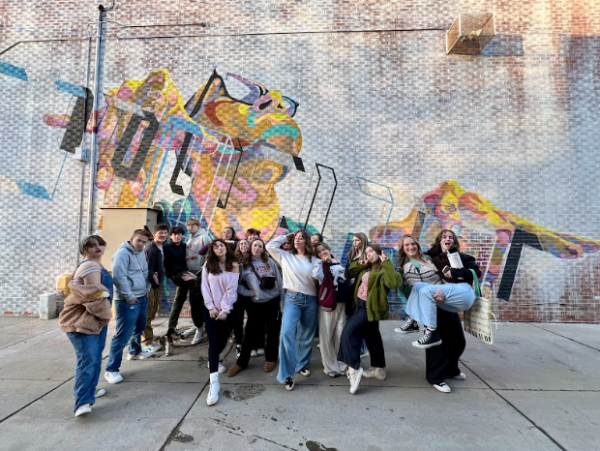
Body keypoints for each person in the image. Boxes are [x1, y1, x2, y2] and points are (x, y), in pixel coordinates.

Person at [59, 235, 113, 417]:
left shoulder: (96, 265)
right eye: (91, 245)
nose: (97, 247)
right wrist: (105, 296)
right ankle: (82, 402)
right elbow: (94, 295)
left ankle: (88, 391)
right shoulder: (90, 266)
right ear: (84, 249)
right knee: (88, 359)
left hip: (94, 321)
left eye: (100, 244)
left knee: (94, 357)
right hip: (83, 321)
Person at [338, 244, 401, 394]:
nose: (368, 255)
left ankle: (354, 369)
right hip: (360, 305)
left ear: (380, 253)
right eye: (366, 253)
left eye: (371, 251)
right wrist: (362, 262)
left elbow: (393, 283)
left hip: (370, 308)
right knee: (372, 336)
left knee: (348, 333)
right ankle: (379, 369)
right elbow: (351, 269)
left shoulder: (386, 269)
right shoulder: (367, 267)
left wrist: (386, 263)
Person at [404, 230, 481, 351]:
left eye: (451, 237)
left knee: (457, 342)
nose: (448, 239)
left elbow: (476, 273)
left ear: (454, 242)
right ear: (440, 241)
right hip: (434, 302)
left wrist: (455, 272)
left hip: (451, 300)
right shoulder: (429, 257)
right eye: (444, 237)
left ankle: (449, 369)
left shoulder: (462, 258)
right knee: (438, 345)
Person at [267, 231, 319, 391]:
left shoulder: (315, 260)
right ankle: (287, 374)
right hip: (292, 299)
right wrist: (286, 236)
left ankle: (302, 364)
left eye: (301, 238)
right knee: (286, 333)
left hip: (311, 299)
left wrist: (321, 274)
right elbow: (269, 246)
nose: (297, 240)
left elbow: (323, 277)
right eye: (295, 238)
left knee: (306, 334)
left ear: (307, 242)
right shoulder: (285, 256)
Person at [227, 238, 283, 376]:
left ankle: (271, 358)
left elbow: (280, 282)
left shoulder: (269, 262)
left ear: (263, 249)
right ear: (251, 247)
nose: (257, 248)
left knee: (272, 331)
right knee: (250, 333)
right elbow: (236, 284)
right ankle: (242, 362)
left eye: (260, 246)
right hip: (256, 304)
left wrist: (282, 302)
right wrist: (247, 292)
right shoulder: (244, 265)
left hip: (273, 301)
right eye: (255, 245)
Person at [104, 229, 152, 385]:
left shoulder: (141, 252)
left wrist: (147, 288)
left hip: (141, 297)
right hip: (127, 300)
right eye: (139, 241)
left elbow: (144, 271)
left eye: (144, 242)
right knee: (122, 335)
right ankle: (111, 369)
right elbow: (118, 277)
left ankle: (135, 351)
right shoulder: (122, 254)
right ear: (131, 239)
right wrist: (129, 296)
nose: (141, 244)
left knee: (139, 327)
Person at [201, 239, 240, 405]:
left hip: (228, 310)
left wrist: (224, 310)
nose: (219, 248)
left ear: (226, 248)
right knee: (214, 343)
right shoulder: (208, 266)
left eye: (221, 245)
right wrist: (211, 307)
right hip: (211, 310)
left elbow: (232, 290)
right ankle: (214, 382)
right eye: (215, 246)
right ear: (212, 250)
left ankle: (214, 359)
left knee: (223, 340)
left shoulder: (234, 265)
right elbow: (205, 287)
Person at [163, 226, 202, 352]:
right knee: (196, 293)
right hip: (177, 275)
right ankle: (200, 324)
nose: (177, 236)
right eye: (174, 234)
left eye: (179, 234)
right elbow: (164, 264)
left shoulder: (184, 246)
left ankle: (171, 328)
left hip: (185, 273)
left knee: (179, 301)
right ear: (170, 236)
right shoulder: (167, 247)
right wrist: (171, 275)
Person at [312, 242, 348, 377]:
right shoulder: (321, 265)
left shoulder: (338, 261)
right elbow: (316, 276)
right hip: (328, 304)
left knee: (340, 334)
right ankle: (330, 367)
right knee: (326, 336)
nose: (323, 252)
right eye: (319, 252)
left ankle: (341, 365)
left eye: (324, 249)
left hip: (341, 302)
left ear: (329, 249)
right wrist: (320, 262)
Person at [142, 224, 168, 354]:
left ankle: (148, 337)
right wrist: (153, 278)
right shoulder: (151, 249)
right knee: (147, 313)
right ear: (154, 234)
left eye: (165, 233)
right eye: (160, 233)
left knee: (152, 312)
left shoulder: (161, 247)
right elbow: (148, 268)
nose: (163, 235)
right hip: (149, 284)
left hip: (156, 284)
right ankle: (146, 342)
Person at [185, 218, 211, 345]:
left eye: (192, 225)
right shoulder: (189, 238)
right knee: (194, 304)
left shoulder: (204, 237)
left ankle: (203, 328)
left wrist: (202, 271)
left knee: (202, 303)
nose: (190, 227)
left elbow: (209, 255)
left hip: (200, 275)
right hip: (190, 275)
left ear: (198, 225)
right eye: (188, 225)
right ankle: (199, 327)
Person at [231, 239, 251, 352]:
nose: (243, 245)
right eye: (241, 243)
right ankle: (239, 343)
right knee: (238, 320)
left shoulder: (253, 259)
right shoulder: (234, 259)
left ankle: (248, 341)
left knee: (251, 319)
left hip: (250, 294)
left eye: (245, 243)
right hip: (237, 295)